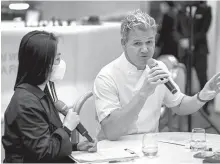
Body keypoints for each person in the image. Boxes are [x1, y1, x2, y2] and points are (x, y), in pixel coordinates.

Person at [93, 9, 220, 141]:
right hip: (114, 151)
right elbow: (111, 132)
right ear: (124, 44)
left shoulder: (158, 67)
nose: (145, 49)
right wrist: (143, 93)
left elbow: (179, 105)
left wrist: (202, 96)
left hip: (149, 147)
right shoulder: (107, 76)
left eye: (149, 42)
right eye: (137, 43)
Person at [2, 30, 97, 163]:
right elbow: (43, 153)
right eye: (57, 59)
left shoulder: (40, 94)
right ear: (42, 63)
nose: (61, 64)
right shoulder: (25, 102)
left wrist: (75, 147)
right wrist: (67, 128)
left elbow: (45, 143)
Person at [174, 1, 212, 114]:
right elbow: (175, 30)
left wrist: (190, 41)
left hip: (200, 51)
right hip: (184, 52)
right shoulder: (180, 10)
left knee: (203, 78)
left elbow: (204, 30)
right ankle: (185, 106)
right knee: (185, 79)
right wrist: (182, 40)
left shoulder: (206, 9)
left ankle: (205, 107)